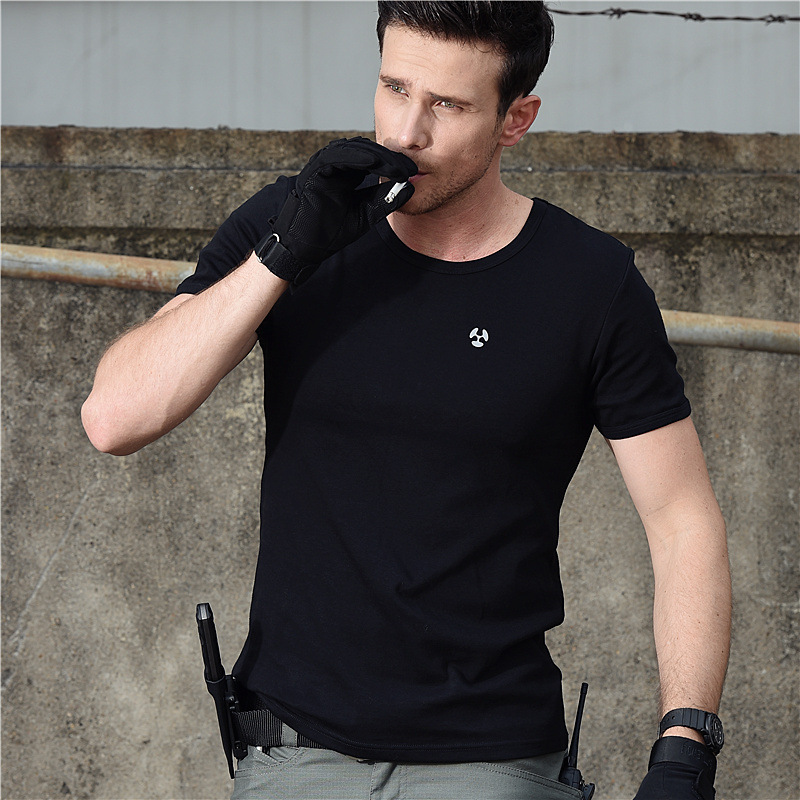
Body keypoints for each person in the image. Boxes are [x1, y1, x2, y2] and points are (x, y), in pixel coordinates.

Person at [81, 2, 731, 798]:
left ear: (515, 119)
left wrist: (685, 744)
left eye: (447, 105)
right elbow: (114, 419)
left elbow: (682, 520)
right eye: (394, 88)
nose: (405, 132)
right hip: (293, 750)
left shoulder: (590, 284)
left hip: (488, 755)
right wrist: (283, 256)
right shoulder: (294, 220)